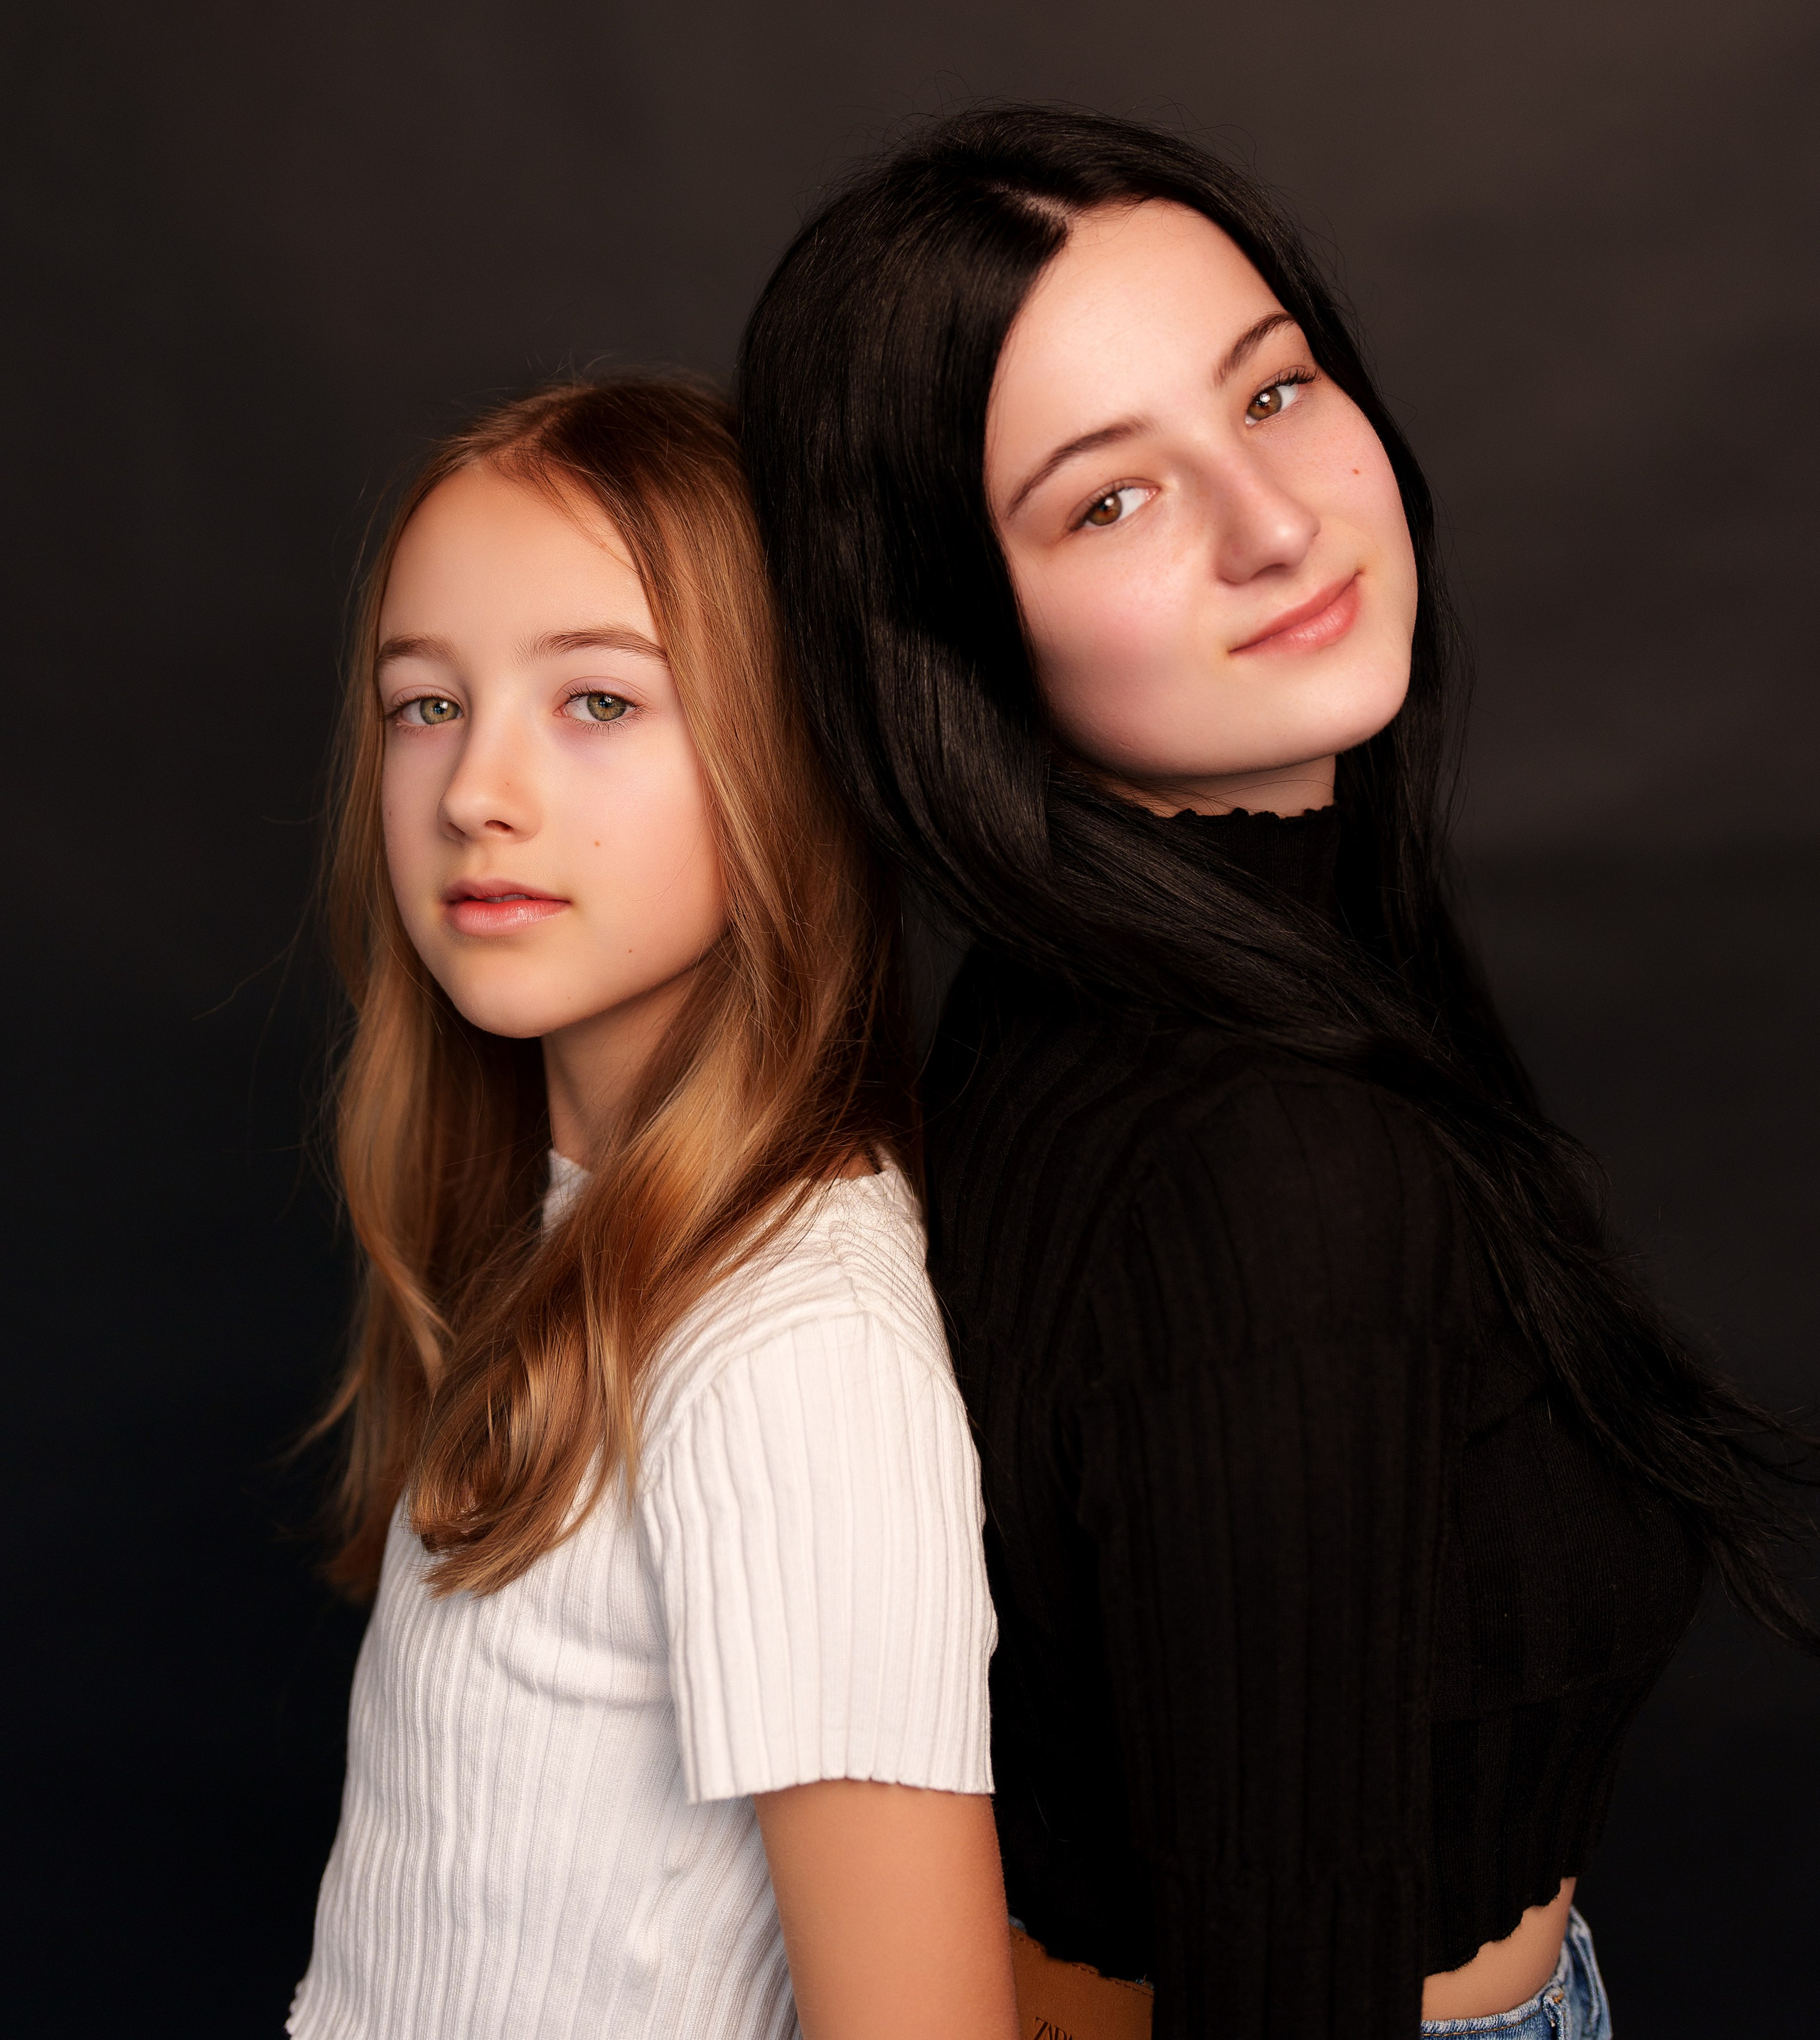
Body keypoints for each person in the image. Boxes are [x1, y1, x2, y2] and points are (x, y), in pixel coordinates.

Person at [735, 108, 1818, 2039]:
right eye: (1109, 500)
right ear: (948, 631)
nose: (1275, 522)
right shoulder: (1272, 1165)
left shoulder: (1101, 999)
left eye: (1272, 390)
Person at [288, 377, 1019, 2040]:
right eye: (425, 703)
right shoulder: (577, 1227)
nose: (475, 789)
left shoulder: (793, 1349)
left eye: (599, 699)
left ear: (784, 754)